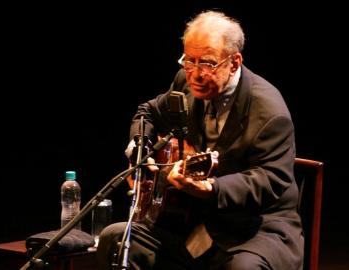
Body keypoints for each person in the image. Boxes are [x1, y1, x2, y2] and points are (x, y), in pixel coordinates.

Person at [97, 10, 304, 270]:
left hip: (253, 231)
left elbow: (271, 178)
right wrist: (141, 149)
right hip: (190, 224)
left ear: (234, 62)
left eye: (207, 63)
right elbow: (147, 113)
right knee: (116, 239)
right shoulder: (187, 82)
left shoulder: (269, 111)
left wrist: (212, 188)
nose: (195, 73)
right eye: (189, 60)